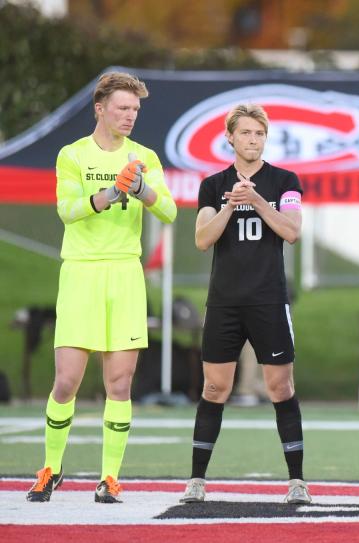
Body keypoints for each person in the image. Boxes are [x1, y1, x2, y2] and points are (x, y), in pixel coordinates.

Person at [27, 72, 178, 503]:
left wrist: (143, 189)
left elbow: (168, 211)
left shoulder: (144, 156)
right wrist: (111, 192)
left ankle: (109, 477)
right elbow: (67, 211)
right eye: (122, 108)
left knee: (120, 384)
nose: (130, 116)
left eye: (135, 110)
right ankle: (51, 469)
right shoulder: (72, 155)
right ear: (100, 109)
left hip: (125, 274)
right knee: (66, 381)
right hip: (81, 272)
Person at [181, 104, 310, 505]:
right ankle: (197, 480)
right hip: (224, 302)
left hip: (269, 299)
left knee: (280, 386)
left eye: (259, 133)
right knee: (215, 386)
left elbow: (291, 231)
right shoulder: (212, 184)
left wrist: (256, 201)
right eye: (246, 133)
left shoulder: (285, 180)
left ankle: (296, 481)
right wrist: (230, 205)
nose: (253, 140)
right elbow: (203, 239)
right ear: (230, 138)